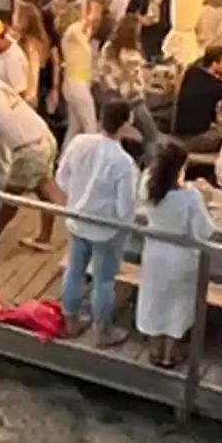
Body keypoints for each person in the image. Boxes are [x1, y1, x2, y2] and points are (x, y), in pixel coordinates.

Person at [55, 99, 138, 344]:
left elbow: (61, 178)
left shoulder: (79, 142)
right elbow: (126, 207)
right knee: (103, 279)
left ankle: (70, 320)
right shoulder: (124, 163)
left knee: (74, 270)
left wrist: (78, 196)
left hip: (77, 218)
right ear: (126, 124)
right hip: (106, 229)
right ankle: (102, 331)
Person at [135, 141, 215, 368]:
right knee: (178, 305)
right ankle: (171, 353)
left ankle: (154, 349)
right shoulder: (190, 199)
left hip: (155, 253)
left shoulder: (149, 187)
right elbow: (204, 231)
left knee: (155, 300)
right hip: (181, 257)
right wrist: (205, 201)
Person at [0, 75, 61, 250]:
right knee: (44, 190)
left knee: (11, 195)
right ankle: (44, 238)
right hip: (45, 136)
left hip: (28, 149)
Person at [100, 14, 158, 159]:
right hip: (133, 97)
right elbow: (134, 75)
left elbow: (104, 71)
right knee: (151, 136)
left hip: (113, 96)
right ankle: (150, 169)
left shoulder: (108, 48)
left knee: (114, 136)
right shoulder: (131, 52)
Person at [171, 46, 222, 153]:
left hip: (178, 129)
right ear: (215, 63)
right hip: (199, 136)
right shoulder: (220, 86)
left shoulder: (191, 72)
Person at [59, 0, 105, 139]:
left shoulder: (82, 34)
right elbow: (82, 27)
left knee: (75, 127)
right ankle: (92, 160)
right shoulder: (72, 31)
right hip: (76, 83)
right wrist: (91, 14)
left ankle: (64, 159)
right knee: (90, 126)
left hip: (79, 82)